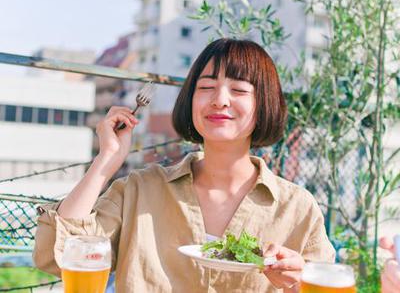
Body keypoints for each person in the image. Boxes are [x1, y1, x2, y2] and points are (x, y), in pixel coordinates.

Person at [33, 38, 335, 292]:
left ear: (264, 104)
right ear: (190, 99)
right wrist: (105, 161)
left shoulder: (297, 209)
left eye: (239, 90)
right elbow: (57, 256)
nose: (220, 100)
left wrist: (297, 282)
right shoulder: (140, 190)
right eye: (206, 87)